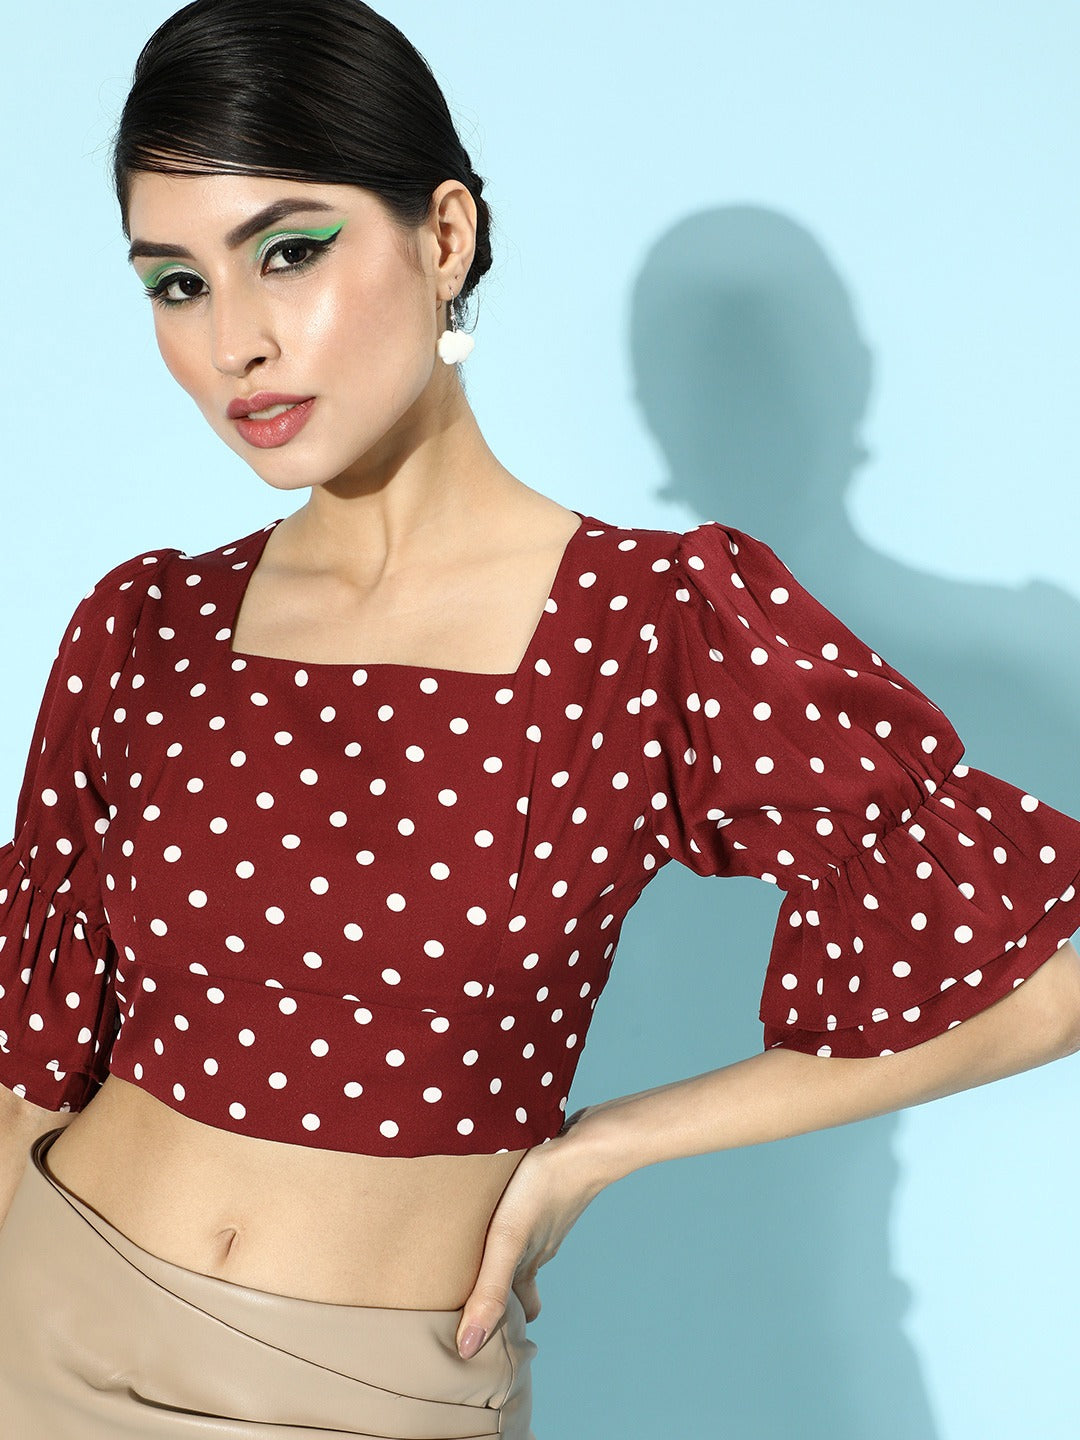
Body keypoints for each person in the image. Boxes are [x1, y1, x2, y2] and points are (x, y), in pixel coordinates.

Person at [1, 0, 1080, 1434]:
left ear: (444, 236)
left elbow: (1045, 976)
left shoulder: (649, 627)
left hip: (376, 1389)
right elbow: (32, 1049)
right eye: (178, 283)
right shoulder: (151, 625)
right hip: (50, 1322)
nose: (234, 342)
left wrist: (604, 1146)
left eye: (290, 250)